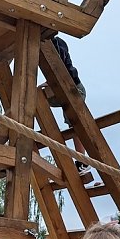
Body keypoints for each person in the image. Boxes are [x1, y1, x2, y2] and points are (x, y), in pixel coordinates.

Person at [40, 36, 89, 174]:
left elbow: (60, 66)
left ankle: (82, 160)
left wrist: (49, 82)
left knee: (74, 123)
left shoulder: (55, 42)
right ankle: (81, 160)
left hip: (73, 87)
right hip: (62, 87)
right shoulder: (49, 42)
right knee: (72, 123)